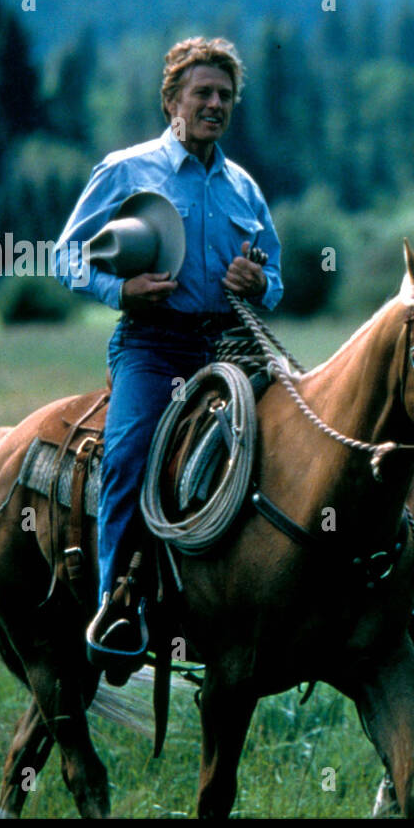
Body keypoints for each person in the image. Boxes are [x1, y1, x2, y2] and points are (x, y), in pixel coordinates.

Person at [53, 36, 282, 680]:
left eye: (225, 96)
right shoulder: (128, 170)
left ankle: (259, 593)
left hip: (230, 346)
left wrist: (257, 284)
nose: (215, 105)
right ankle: (116, 606)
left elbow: (280, 276)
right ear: (172, 100)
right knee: (127, 458)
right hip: (153, 345)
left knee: (297, 444)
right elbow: (67, 254)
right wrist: (120, 288)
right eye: (202, 93)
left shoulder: (243, 187)